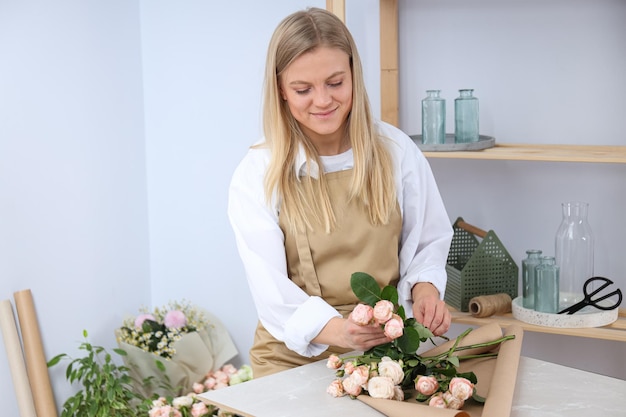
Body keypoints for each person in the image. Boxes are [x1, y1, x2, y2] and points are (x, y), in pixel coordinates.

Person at [228, 7, 453, 378]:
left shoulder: (396, 150)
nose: (323, 100)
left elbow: (429, 241)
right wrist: (342, 332)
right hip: (291, 356)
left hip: (386, 350)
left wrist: (427, 292)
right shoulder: (259, 170)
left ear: (354, 75)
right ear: (281, 90)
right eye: (303, 89)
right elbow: (272, 294)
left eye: (336, 82)